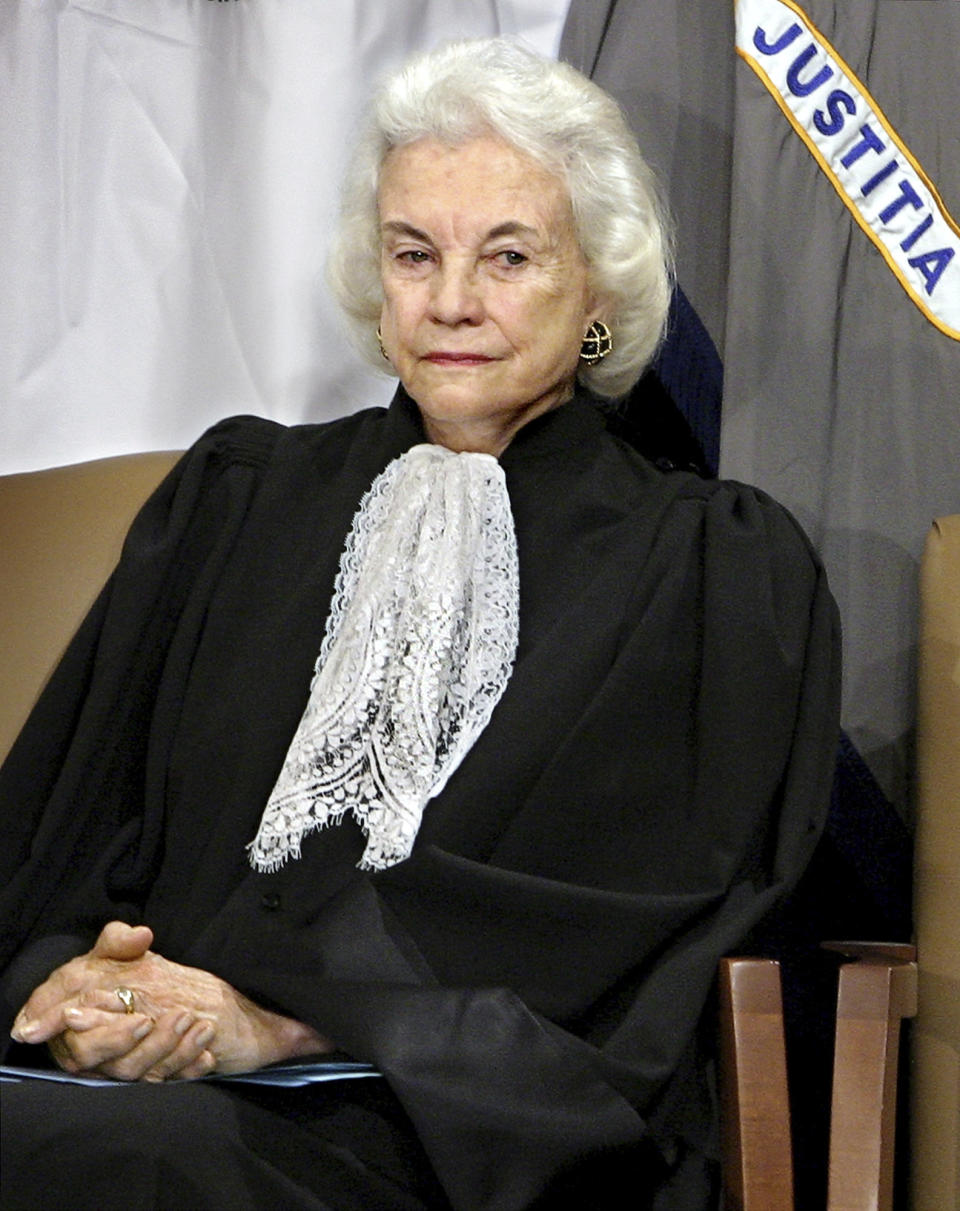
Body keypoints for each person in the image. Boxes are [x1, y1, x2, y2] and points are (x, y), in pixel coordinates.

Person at [0, 38, 840, 1211]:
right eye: (413, 253)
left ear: (597, 286)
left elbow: (644, 925)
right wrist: (82, 982)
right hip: (150, 1085)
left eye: (508, 256)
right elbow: (62, 829)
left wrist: (287, 1022)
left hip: (449, 1133)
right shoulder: (237, 497)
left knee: (137, 1163)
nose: (450, 301)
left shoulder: (711, 568)